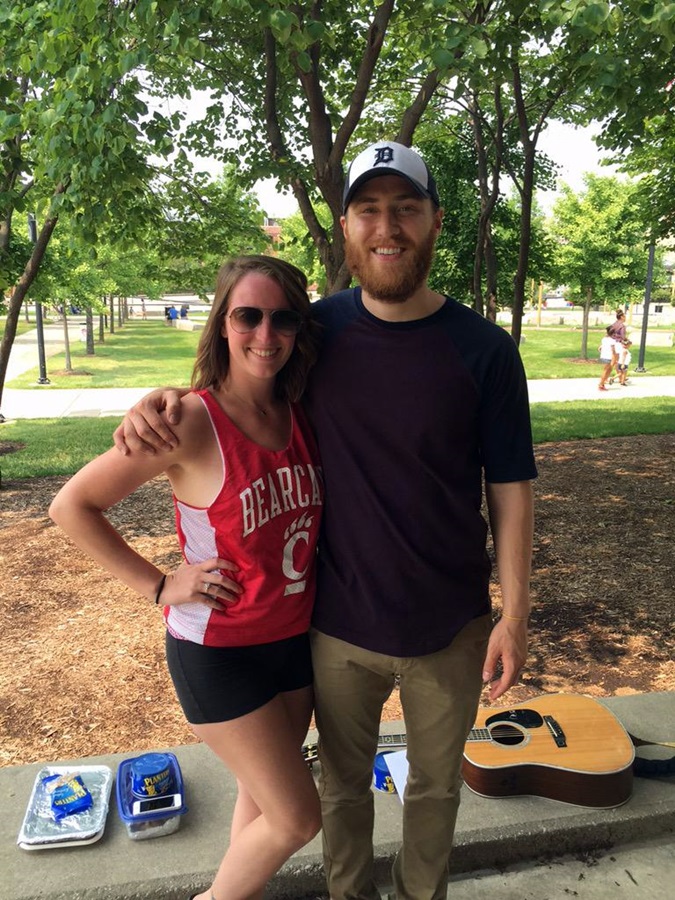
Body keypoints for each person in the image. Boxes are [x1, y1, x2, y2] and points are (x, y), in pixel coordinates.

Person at [114, 142, 536, 900]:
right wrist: (161, 400)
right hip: (335, 625)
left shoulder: (485, 351)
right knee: (338, 796)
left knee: (434, 796)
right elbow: (244, 370)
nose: (388, 226)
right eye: (369, 209)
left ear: (435, 221)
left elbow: (509, 488)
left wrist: (514, 612)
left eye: (405, 208)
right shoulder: (318, 332)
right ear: (345, 228)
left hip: (452, 623)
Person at [50, 255, 324, 900]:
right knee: (297, 818)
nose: (265, 333)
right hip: (218, 651)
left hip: (292, 640)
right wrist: (159, 585)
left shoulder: (303, 408)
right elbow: (72, 507)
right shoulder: (189, 420)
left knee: (262, 806)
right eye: (247, 316)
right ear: (222, 324)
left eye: (283, 317)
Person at [598, 326, 615, 391]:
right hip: (608, 357)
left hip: (603, 356)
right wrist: (614, 358)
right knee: (606, 371)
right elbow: (613, 351)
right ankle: (601, 385)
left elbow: (600, 348)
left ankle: (602, 383)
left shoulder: (604, 339)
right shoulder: (612, 340)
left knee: (607, 370)